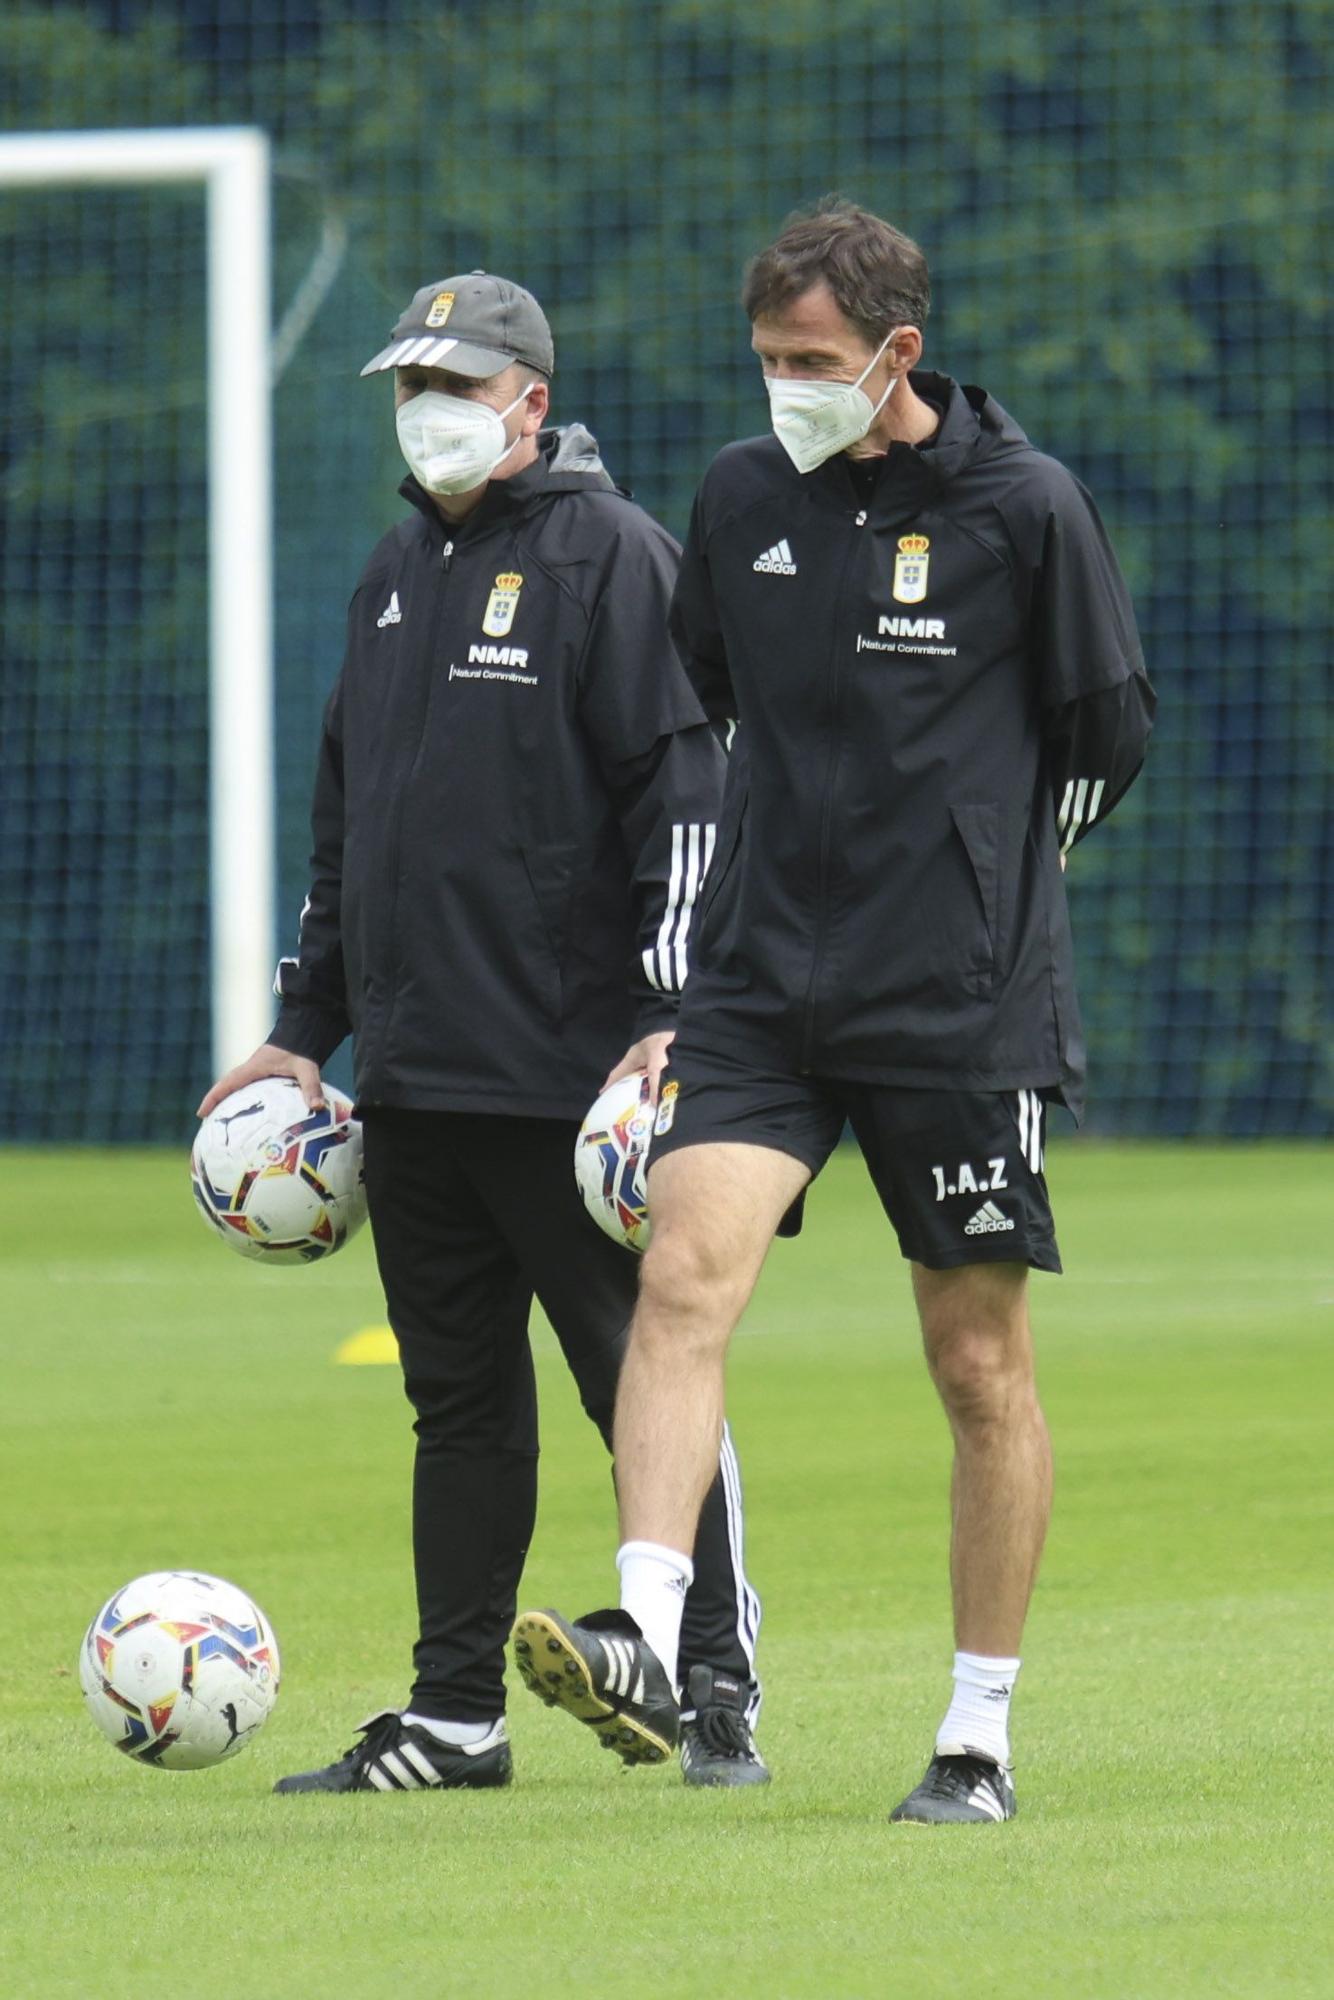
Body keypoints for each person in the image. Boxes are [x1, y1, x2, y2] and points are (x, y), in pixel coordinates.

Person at [511, 201, 1155, 1823]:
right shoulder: (740, 500)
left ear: (895, 355)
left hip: (956, 1007)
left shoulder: (1028, 509)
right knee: (679, 1276)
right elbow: (712, 706)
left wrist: (986, 890)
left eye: (811, 363)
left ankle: (976, 1736)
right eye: (767, 361)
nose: (784, 389)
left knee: (974, 1366)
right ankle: (649, 1636)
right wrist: (705, 952)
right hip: (759, 994)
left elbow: (1103, 736)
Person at [200, 271, 767, 1793]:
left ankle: (715, 1687)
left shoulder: (614, 559)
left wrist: (665, 1023)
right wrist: (298, 1028)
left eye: (455, 385)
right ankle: (456, 1717)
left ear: (529, 398)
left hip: (572, 1083)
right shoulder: (390, 570)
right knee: (455, 1408)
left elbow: (688, 807)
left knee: (633, 1379)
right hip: (418, 1083)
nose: (427, 411)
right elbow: (350, 833)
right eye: (410, 387)